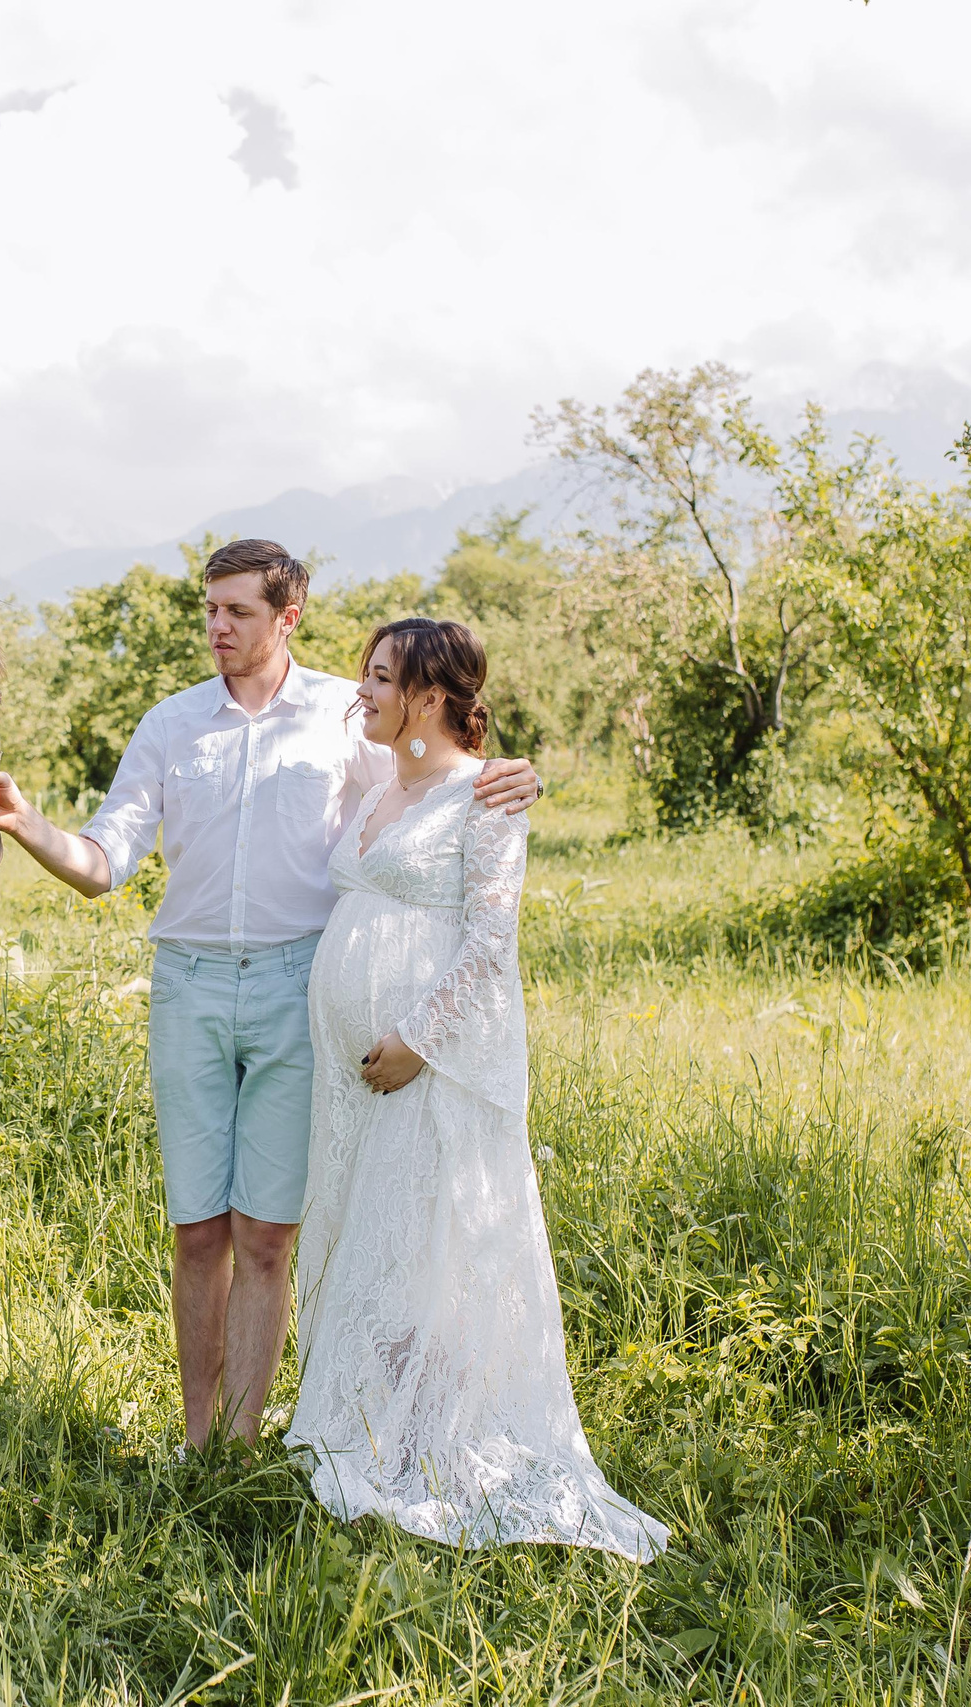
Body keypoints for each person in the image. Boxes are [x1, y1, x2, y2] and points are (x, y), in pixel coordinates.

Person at [0, 539, 543, 1449]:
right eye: (209, 608)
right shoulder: (170, 724)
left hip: (298, 991)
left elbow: (429, 788)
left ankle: (245, 1443)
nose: (217, 626)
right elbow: (104, 862)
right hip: (190, 990)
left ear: (288, 616)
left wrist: (507, 776)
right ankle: (197, 1437)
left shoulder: (345, 712)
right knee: (198, 1231)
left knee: (267, 1234)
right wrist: (25, 823)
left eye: (238, 611)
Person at [286, 617, 667, 1556]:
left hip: (429, 1064)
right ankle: (368, 1425)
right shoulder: (386, 778)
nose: (360, 692)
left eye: (379, 677)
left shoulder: (487, 799)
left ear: (427, 694)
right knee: (372, 1240)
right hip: (350, 1079)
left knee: (427, 1250)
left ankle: (428, 1445)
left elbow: (492, 943)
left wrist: (416, 1039)